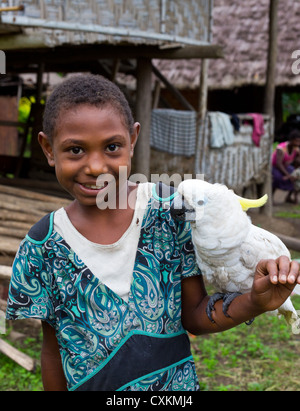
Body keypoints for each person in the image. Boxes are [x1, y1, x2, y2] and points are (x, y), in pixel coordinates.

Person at [6, 75, 300, 392]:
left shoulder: (172, 212)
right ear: (48, 149)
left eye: (112, 147)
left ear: (133, 140)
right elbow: (52, 351)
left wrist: (254, 302)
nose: (94, 166)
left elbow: (195, 316)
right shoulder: (42, 246)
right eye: (75, 150)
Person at [272, 129, 300, 202]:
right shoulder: (281, 148)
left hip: (285, 167)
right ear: (291, 140)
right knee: (277, 178)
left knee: (295, 176)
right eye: (296, 141)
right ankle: (271, 196)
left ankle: (289, 197)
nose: (298, 143)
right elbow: (278, 164)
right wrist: (288, 175)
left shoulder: (296, 148)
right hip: (275, 167)